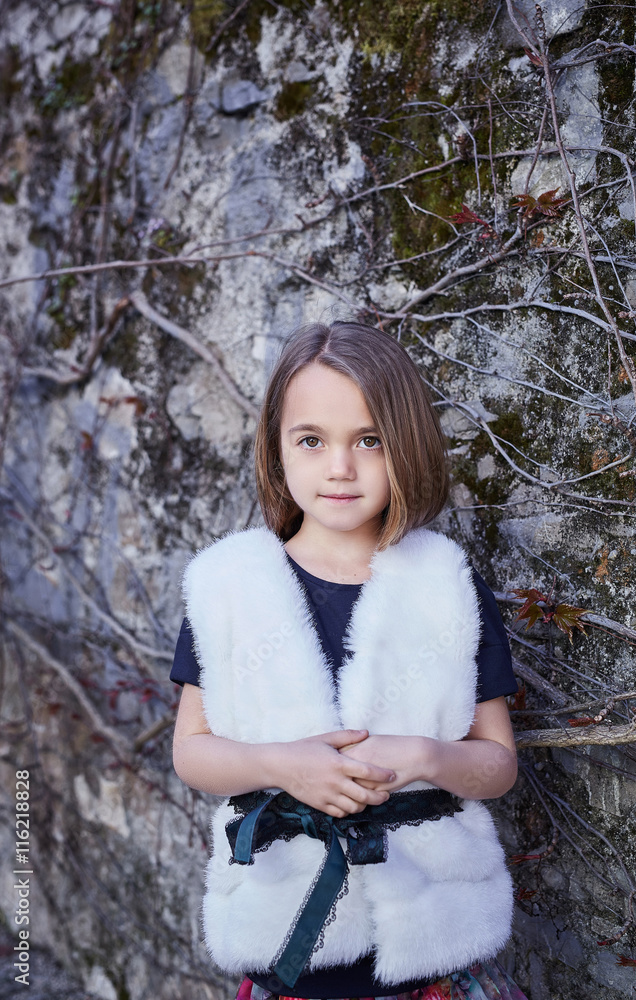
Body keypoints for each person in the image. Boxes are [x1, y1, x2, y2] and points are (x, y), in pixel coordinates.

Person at [171, 321, 528, 1000]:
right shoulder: (228, 587)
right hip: (285, 951)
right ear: (277, 447)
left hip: (436, 950)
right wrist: (281, 765)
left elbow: (497, 764)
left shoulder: (446, 584)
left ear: (406, 444)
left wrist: (422, 756)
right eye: (311, 440)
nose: (340, 467)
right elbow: (192, 751)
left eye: (370, 440)